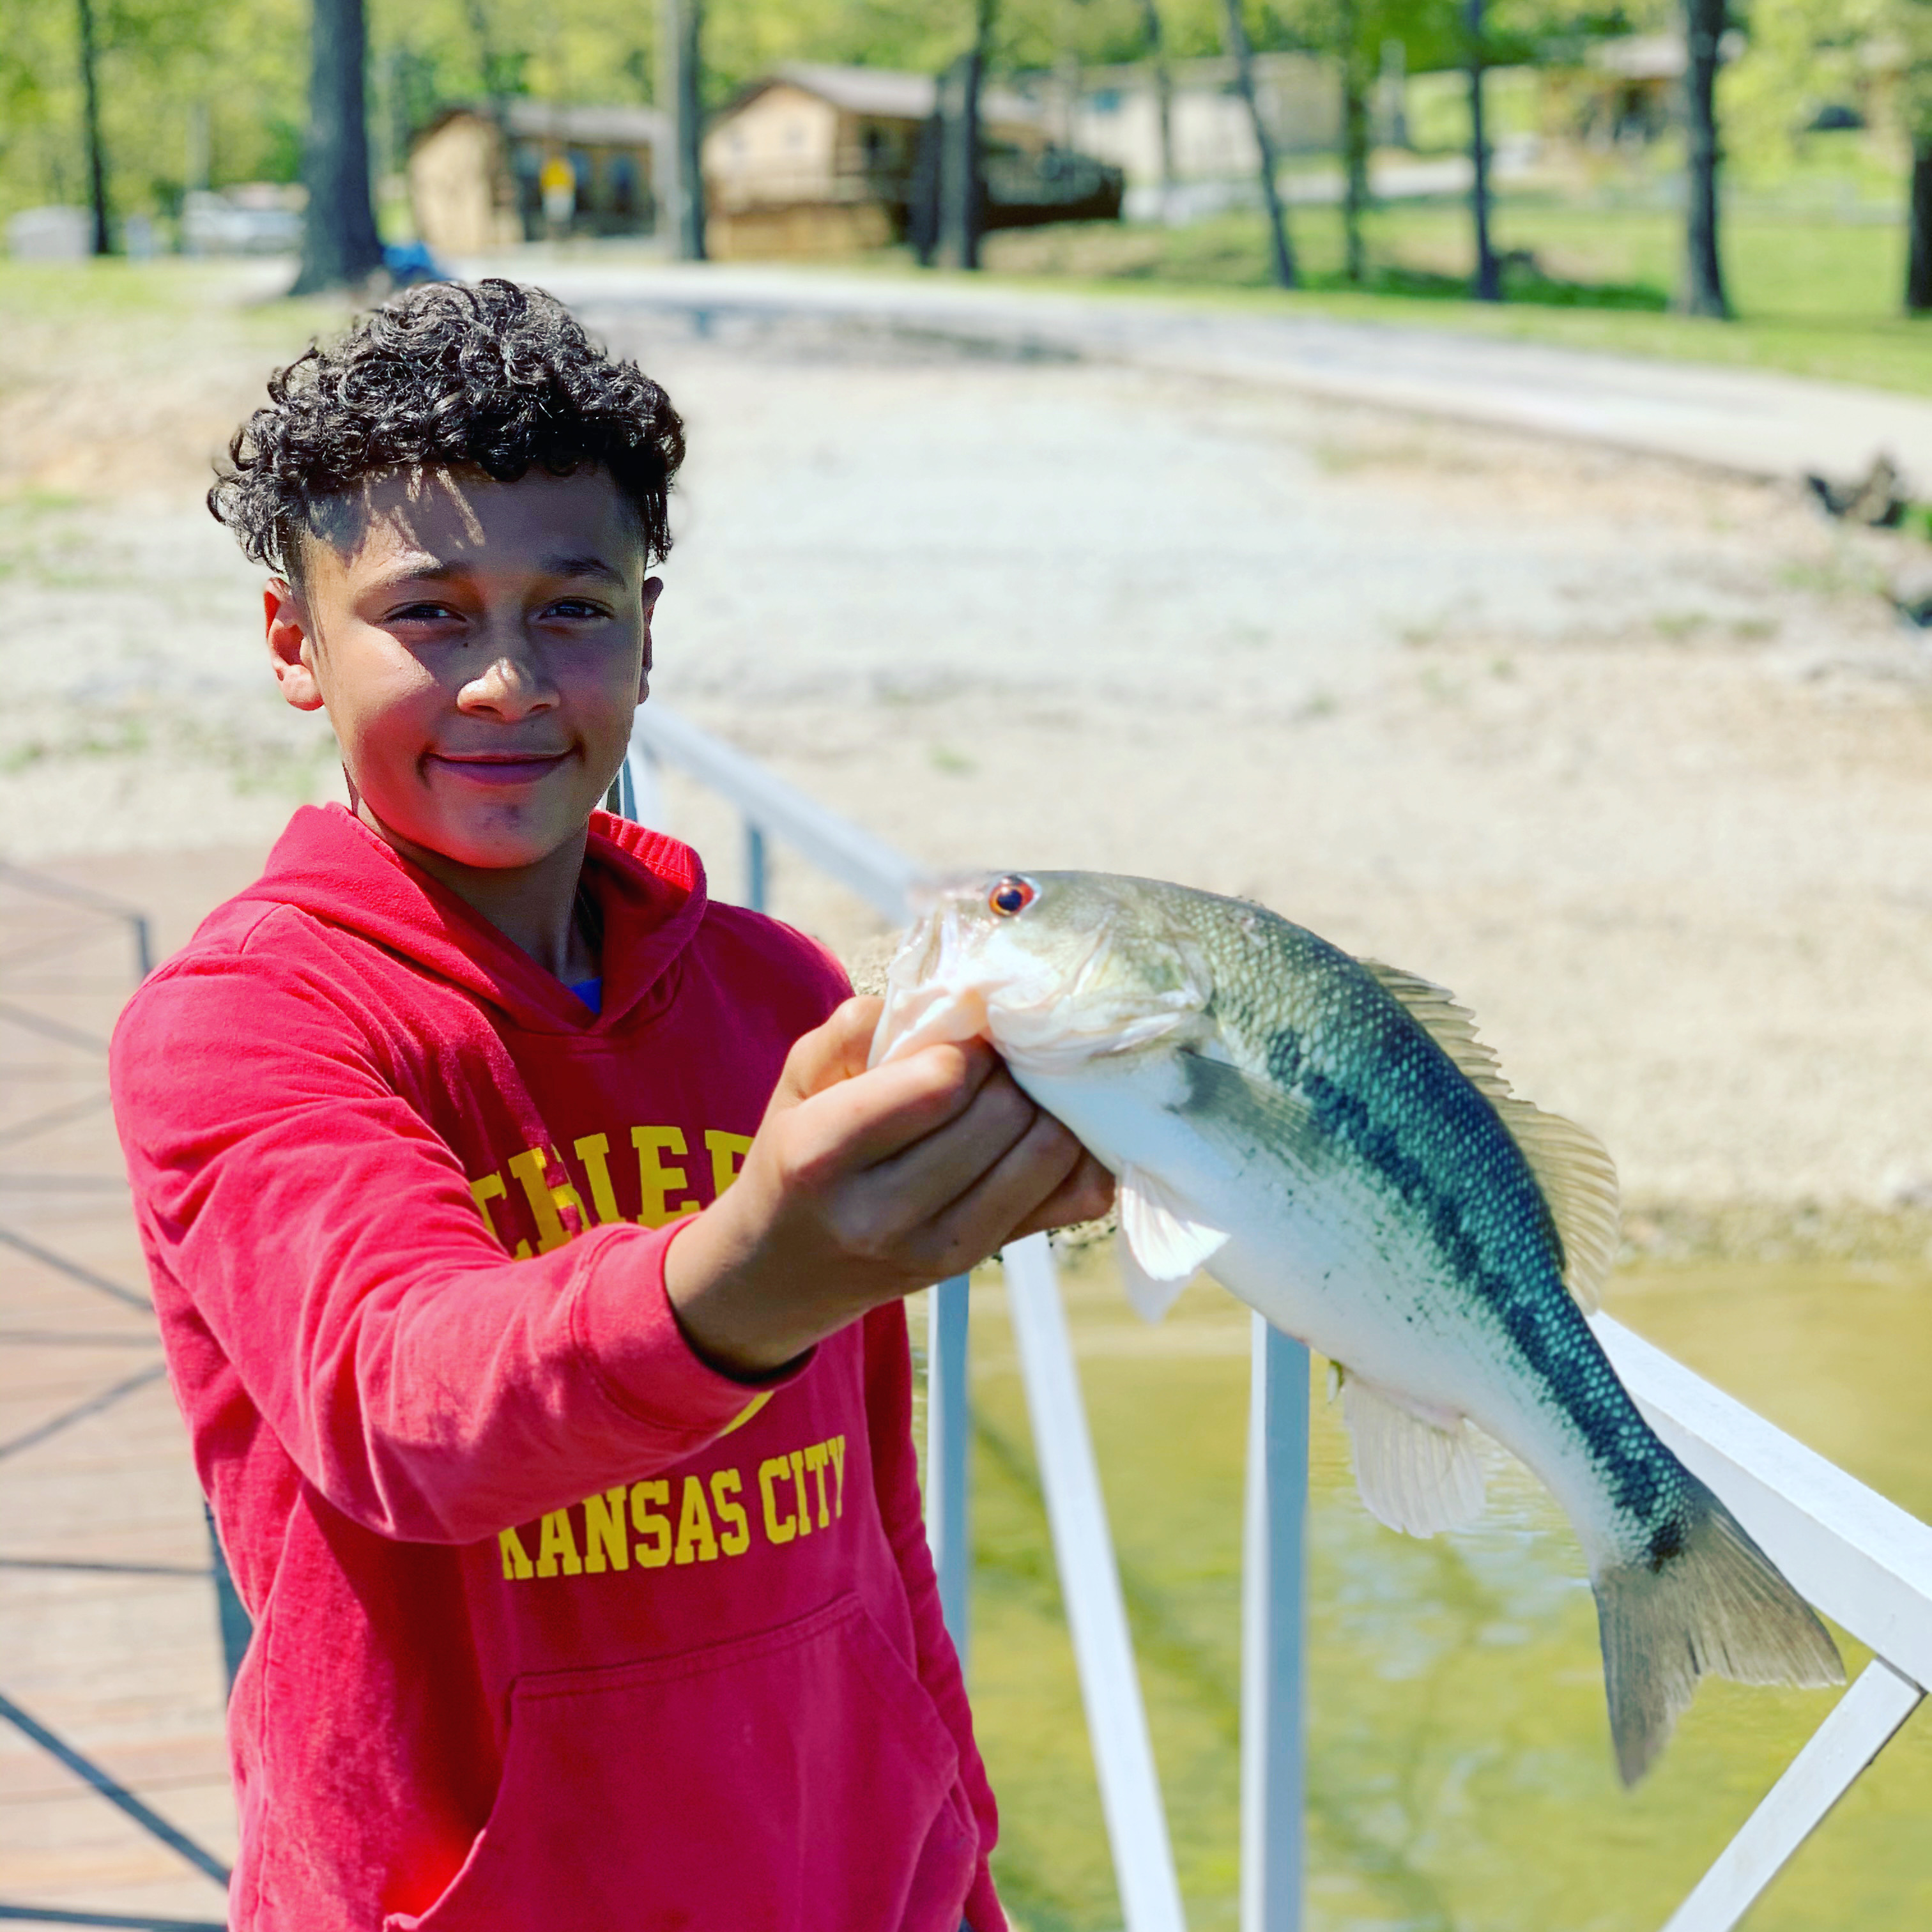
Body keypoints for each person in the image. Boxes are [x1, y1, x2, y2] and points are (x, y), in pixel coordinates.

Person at [109, 279, 1112, 1931]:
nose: (507, 679)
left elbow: (872, 1524)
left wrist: (950, 1850)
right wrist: (752, 1278)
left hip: (849, 1877)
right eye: (428, 613)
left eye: (572, 608)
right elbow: (398, 1401)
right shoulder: (243, 1029)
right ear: (297, 645)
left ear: (649, 634)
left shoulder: (783, 998)